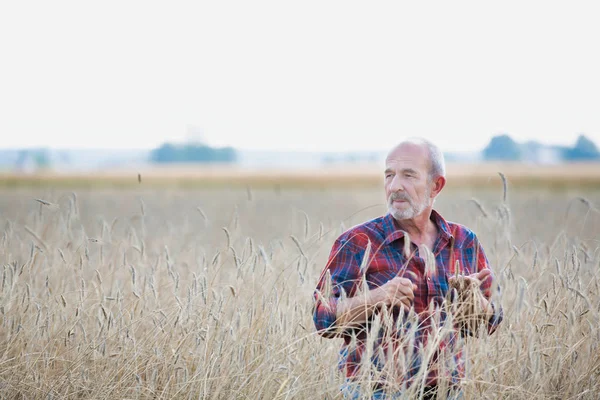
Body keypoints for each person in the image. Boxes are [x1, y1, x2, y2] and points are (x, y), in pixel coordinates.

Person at [313, 138, 503, 399]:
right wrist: (377, 298)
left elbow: (491, 322)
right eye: (389, 175)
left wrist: (476, 305)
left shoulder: (463, 241)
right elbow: (323, 319)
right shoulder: (358, 242)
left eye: (409, 175)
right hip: (375, 391)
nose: (395, 186)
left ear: (436, 185)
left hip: (447, 391)